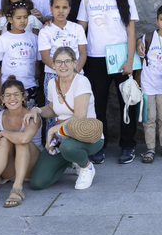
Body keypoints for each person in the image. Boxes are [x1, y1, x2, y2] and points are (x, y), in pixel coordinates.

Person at [77, 0, 138, 164]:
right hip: (95, 59)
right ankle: (98, 146)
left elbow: (131, 32)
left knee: (127, 104)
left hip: (121, 58)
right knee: (97, 106)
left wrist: (130, 60)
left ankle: (128, 146)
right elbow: (80, 30)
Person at [25, 47, 104, 191]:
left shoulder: (81, 81)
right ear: (53, 65)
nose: (63, 65)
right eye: (59, 62)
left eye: (67, 61)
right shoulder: (52, 84)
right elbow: (51, 109)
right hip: (62, 137)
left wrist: (53, 130)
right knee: (38, 182)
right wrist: (36, 110)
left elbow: (79, 116)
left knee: (68, 147)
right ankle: (71, 160)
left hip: (87, 135)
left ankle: (86, 166)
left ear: (75, 63)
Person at [0, 76, 41, 209]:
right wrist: (1, 135)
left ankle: (17, 188)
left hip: (31, 167)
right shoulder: (0, 115)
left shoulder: (32, 116)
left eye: (16, 94)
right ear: (2, 99)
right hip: (9, 169)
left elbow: (24, 138)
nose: (12, 99)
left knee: (20, 141)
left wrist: (4, 133)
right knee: (5, 141)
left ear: (24, 96)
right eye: (8, 95)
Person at [137, 5, 162, 164]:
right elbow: (138, 55)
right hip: (147, 87)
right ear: (156, 21)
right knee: (149, 118)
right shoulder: (148, 38)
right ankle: (150, 149)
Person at [37, 0, 88, 96]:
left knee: (77, 106)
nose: (61, 11)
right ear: (51, 9)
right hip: (53, 74)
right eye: (57, 7)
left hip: (75, 73)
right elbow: (45, 56)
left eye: (64, 7)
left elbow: (82, 53)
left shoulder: (77, 28)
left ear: (69, 9)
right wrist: (61, 70)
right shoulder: (46, 31)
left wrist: (76, 71)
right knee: (54, 108)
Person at [0, 2, 38, 104]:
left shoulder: (34, 39)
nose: (22, 21)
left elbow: (38, 61)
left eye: (25, 17)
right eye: (18, 18)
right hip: (8, 88)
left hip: (29, 86)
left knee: (28, 117)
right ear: (10, 19)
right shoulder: (2, 40)